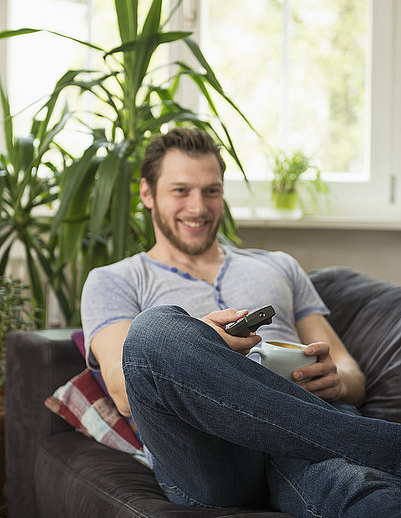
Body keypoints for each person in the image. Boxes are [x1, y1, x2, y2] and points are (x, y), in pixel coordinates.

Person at [81, 127, 401, 518]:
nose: (198, 207)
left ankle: (365, 449)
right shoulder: (113, 279)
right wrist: (200, 343)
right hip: (210, 455)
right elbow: (124, 389)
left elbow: (350, 369)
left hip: (307, 437)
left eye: (211, 191)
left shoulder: (280, 265)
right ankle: (385, 445)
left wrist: (339, 379)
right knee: (154, 330)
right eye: (180, 190)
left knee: (360, 489)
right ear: (147, 193)